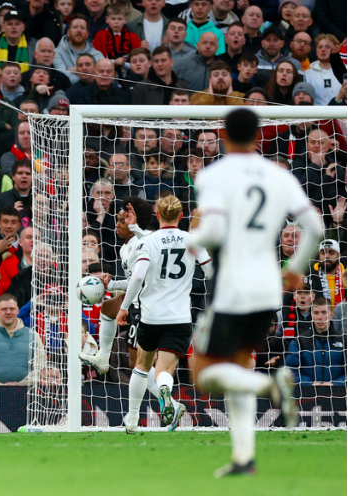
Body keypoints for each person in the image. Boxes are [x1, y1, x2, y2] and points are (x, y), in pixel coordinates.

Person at [187, 108, 324, 477]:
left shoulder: (214, 174)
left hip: (232, 286)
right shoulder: (278, 175)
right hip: (268, 289)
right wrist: (295, 269)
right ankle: (244, 456)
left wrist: (192, 238)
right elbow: (315, 225)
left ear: (222, 135)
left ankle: (271, 383)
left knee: (202, 371)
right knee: (237, 364)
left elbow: (212, 229)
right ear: (259, 136)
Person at [116, 195, 211, 434]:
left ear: (157, 215)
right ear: (181, 216)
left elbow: (137, 277)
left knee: (141, 365)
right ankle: (166, 392)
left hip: (150, 316)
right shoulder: (192, 240)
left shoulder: (149, 241)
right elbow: (210, 271)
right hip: (179, 317)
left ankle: (132, 419)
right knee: (164, 370)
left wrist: (124, 307)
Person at [286, 297, 346, 386]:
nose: (320, 317)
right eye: (316, 313)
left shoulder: (344, 340)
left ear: (331, 315)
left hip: (338, 395)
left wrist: (334, 384)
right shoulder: (300, 341)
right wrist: (310, 384)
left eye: (324, 312)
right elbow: (290, 373)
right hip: (307, 395)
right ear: (312, 315)